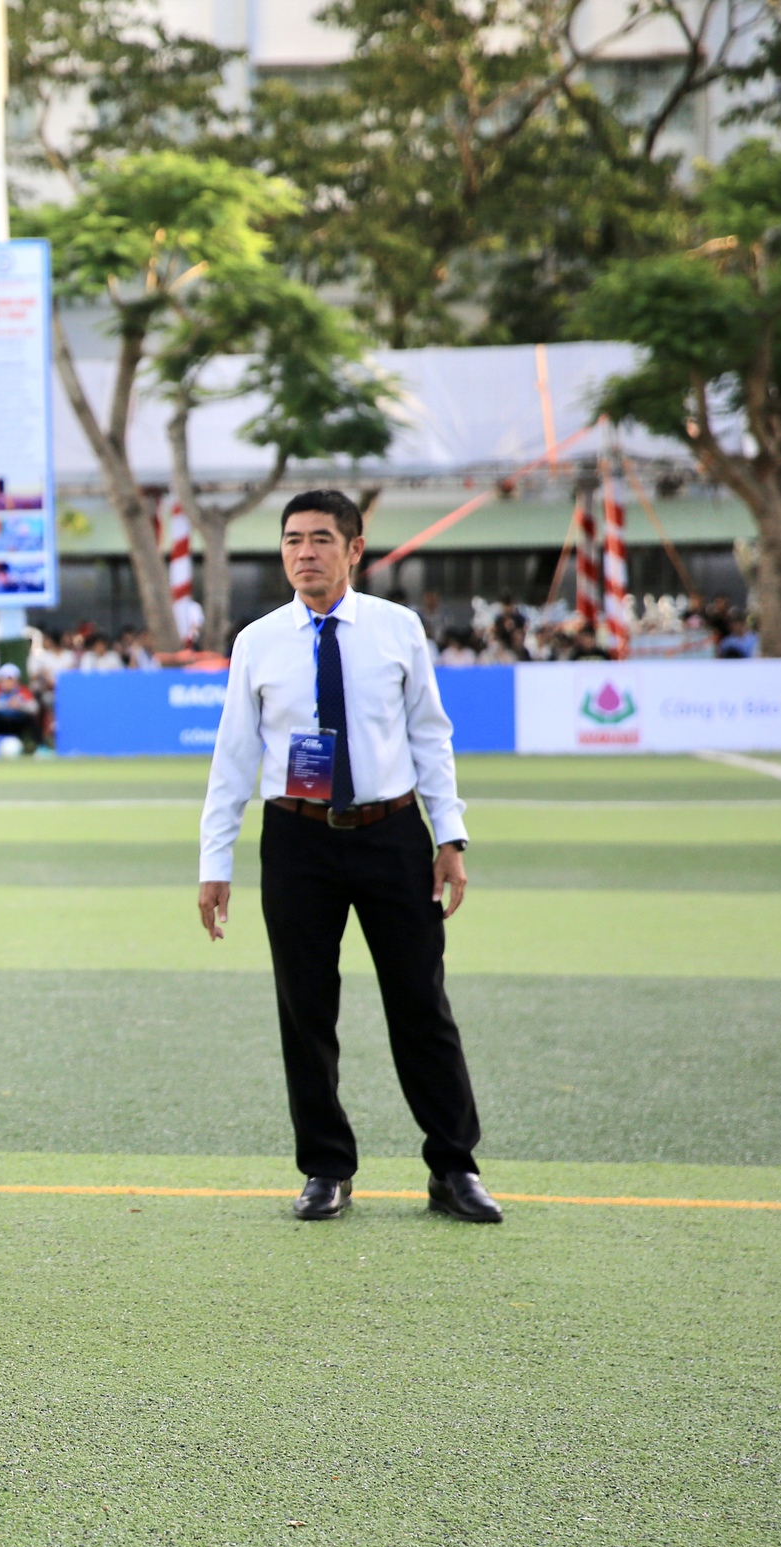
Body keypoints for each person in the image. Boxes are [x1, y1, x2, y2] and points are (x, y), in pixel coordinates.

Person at [196, 492, 500, 1226]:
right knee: (306, 1008)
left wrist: (449, 836)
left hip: (392, 835)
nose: (306, 553)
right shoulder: (259, 640)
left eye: (322, 539)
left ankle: (453, 1165)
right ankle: (326, 1167)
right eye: (293, 540)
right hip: (296, 838)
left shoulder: (398, 630)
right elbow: (233, 754)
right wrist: (216, 860)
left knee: (421, 1004)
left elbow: (431, 735)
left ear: (355, 550)